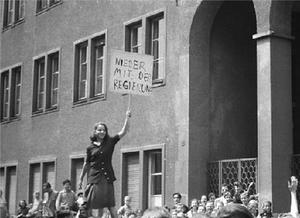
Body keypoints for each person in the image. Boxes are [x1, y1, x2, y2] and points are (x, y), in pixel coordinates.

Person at [78, 110, 131, 218]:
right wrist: (80, 178)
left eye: (104, 130)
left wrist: (127, 117)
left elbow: (123, 131)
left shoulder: (110, 142)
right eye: (100, 130)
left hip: (107, 178)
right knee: (88, 204)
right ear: (95, 132)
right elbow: (86, 164)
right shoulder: (90, 147)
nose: (102, 132)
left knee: (110, 205)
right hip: (94, 179)